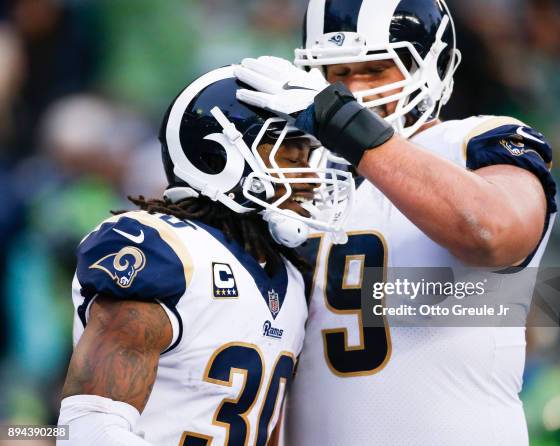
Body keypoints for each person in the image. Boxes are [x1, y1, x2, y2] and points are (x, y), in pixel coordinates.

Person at [232, 0, 558, 444]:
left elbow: (493, 234)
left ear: (433, 66)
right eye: (338, 74)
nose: (353, 91)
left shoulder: (474, 141)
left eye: (376, 69)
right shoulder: (298, 183)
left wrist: (345, 123)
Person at [57, 65, 354, 445]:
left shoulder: (291, 279)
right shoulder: (169, 252)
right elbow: (86, 429)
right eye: (291, 159)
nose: (311, 179)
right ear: (220, 157)